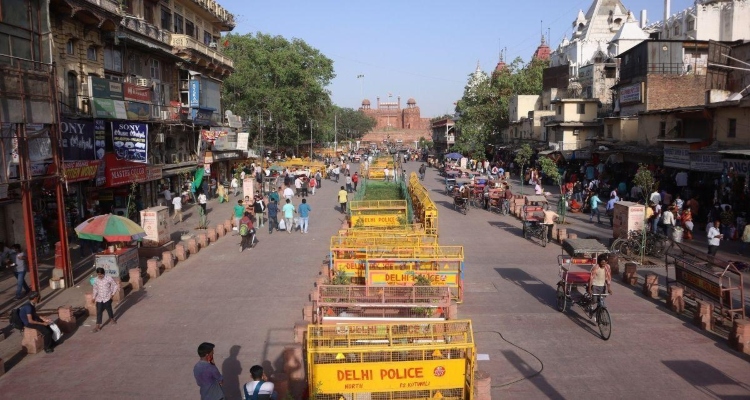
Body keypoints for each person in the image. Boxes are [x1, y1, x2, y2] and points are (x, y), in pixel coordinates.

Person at [91, 267, 118, 332]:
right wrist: (94, 297)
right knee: (99, 311)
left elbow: (115, 285)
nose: (100, 276)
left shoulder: (108, 278)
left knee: (109, 308)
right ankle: (98, 325)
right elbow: (95, 289)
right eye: (98, 274)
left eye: (101, 274)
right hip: (99, 298)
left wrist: (112, 294)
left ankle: (111, 318)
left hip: (107, 297)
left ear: (104, 273)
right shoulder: (95, 280)